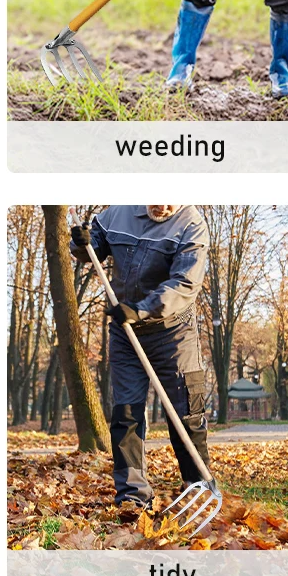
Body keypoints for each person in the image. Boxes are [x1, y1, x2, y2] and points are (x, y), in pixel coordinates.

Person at [70, 205, 210, 507]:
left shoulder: (191, 225)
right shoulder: (116, 214)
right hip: (125, 330)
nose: (163, 205)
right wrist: (81, 243)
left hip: (173, 331)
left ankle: (198, 486)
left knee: (187, 410)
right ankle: (133, 495)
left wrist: (141, 310)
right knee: (126, 414)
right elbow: (92, 248)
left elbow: (185, 284)